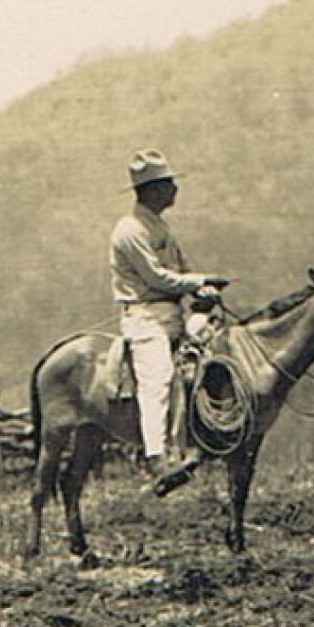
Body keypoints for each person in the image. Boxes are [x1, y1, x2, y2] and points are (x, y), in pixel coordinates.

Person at [109, 149, 230, 494]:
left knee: (214, 352)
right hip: (146, 317)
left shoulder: (159, 226)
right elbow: (157, 277)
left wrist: (202, 291)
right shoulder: (129, 230)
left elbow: (181, 269)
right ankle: (156, 457)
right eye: (168, 183)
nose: (174, 188)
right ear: (152, 189)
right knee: (157, 378)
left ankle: (205, 437)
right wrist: (199, 281)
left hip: (172, 311)